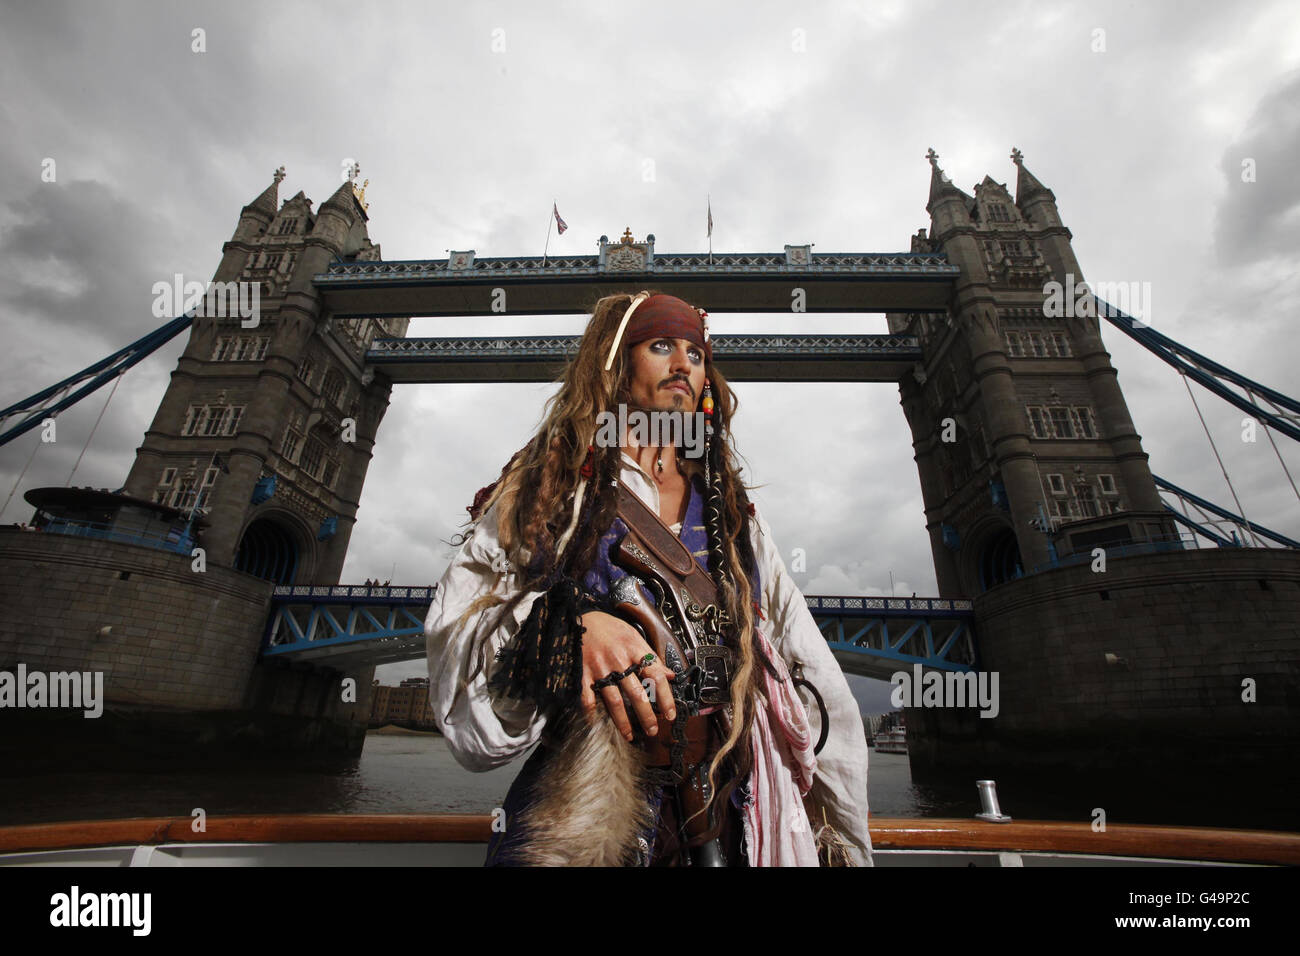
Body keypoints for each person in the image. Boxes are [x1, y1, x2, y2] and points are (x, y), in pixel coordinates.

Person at [424, 290, 871, 866]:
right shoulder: (551, 490)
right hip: (586, 813)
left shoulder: (732, 514)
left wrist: (843, 844)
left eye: (696, 352)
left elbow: (810, 674)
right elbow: (461, 656)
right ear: (617, 364)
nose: (684, 364)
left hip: (734, 813)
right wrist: (569, 628)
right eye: (662, 346)